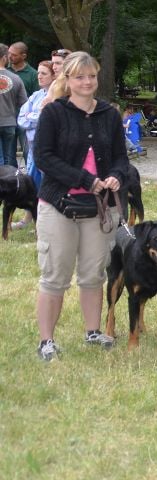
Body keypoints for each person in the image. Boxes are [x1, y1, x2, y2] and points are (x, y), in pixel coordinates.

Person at [33, 51, 129, 360]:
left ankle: (92, 331)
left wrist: (115, 175)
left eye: (91, 76)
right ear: (68, 80)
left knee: (93, 274)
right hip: (58, 205)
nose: (87, 82)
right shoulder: (54, 113)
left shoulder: (109, 115)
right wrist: (84, 179)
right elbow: (44, 158)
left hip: (98, 209)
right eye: (80, 77)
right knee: (55, 275)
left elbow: (120, 157)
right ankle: (47, 340)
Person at [13, 60, 55, 229]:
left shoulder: (55, 96)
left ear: (54, 76)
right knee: (31, 184)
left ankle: (49, 220)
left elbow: (45, 119)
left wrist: (32, 116)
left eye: (44, 73)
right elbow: (21, 118)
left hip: (46, 148)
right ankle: (28, 217)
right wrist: (34, 116)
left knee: (48, 183)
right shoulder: (36, 95)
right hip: (32, 148)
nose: (39, 76)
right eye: (38, 73)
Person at [0, 44, 29, 167]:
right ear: (4, 58)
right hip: (9, 122)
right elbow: (24, 103)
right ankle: (10, 183)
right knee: (9, 160)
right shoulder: (16, 78)